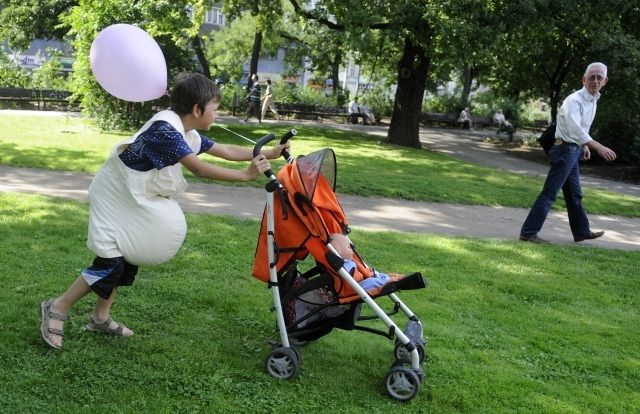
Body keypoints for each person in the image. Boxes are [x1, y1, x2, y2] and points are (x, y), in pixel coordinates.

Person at [40, 72, 290, 349]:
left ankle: (100, 318)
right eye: (215, 109)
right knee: (110, 261)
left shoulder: (185, 131)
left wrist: (270, 153)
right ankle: (57, 308)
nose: (217, 115)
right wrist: (244, 176)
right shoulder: (166, 131)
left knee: (128, 254)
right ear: (197, 109)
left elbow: (226, 150)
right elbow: (197, 167)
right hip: (114, 195)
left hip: (132, 194)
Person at [519, 62, 617, 244]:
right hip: (564, 150)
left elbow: (581, 127)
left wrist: (585, 146)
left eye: (599, 78)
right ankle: (528, 232)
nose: (595, 81)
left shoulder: (593, 99)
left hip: (573, 149)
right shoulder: (575, 100)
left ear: (605, 81)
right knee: (550, 193)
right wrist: (597, 146)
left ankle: (581, 232)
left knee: (574, 195)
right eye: (591, 77)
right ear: (584, 79)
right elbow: (573, 128)